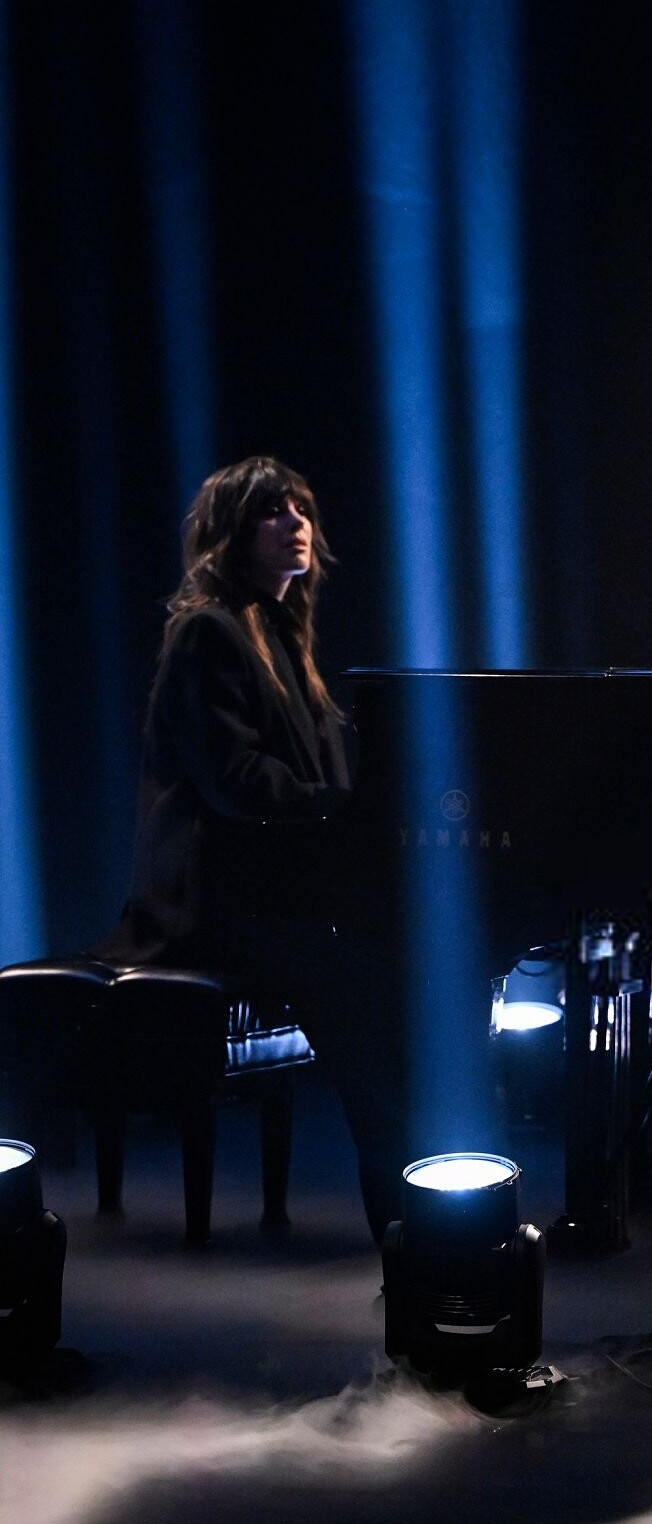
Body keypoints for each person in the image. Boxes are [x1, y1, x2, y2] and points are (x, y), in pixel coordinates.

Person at [96, 456, 403, 1242]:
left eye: (301, 508)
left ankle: (416, 1210)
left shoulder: (280, 634)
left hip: (270, 893)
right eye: (272, 510)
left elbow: (308, 779)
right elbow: (237, 781)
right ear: (232, 532)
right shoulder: (210, 631)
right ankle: (407, 1226)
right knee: (365, 1004)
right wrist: (344, 810)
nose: (295, 522)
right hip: (212, 903)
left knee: (389, 982)